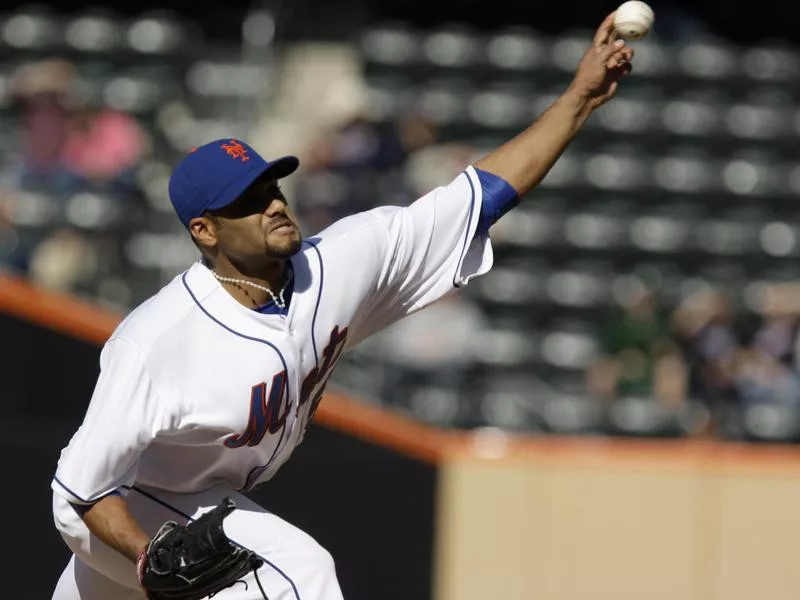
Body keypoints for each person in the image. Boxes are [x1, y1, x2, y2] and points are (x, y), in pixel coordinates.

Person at [50, 13, 634, 600]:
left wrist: (578, 100)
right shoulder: (157, 341)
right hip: (127, 512)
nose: (273, 205)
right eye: (247, 202)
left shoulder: (338, 263)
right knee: (300, 576)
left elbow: (479, 198)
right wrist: (150, 556)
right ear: (205, 230)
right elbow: (80, 493)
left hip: (203, 507)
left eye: (271, 187)